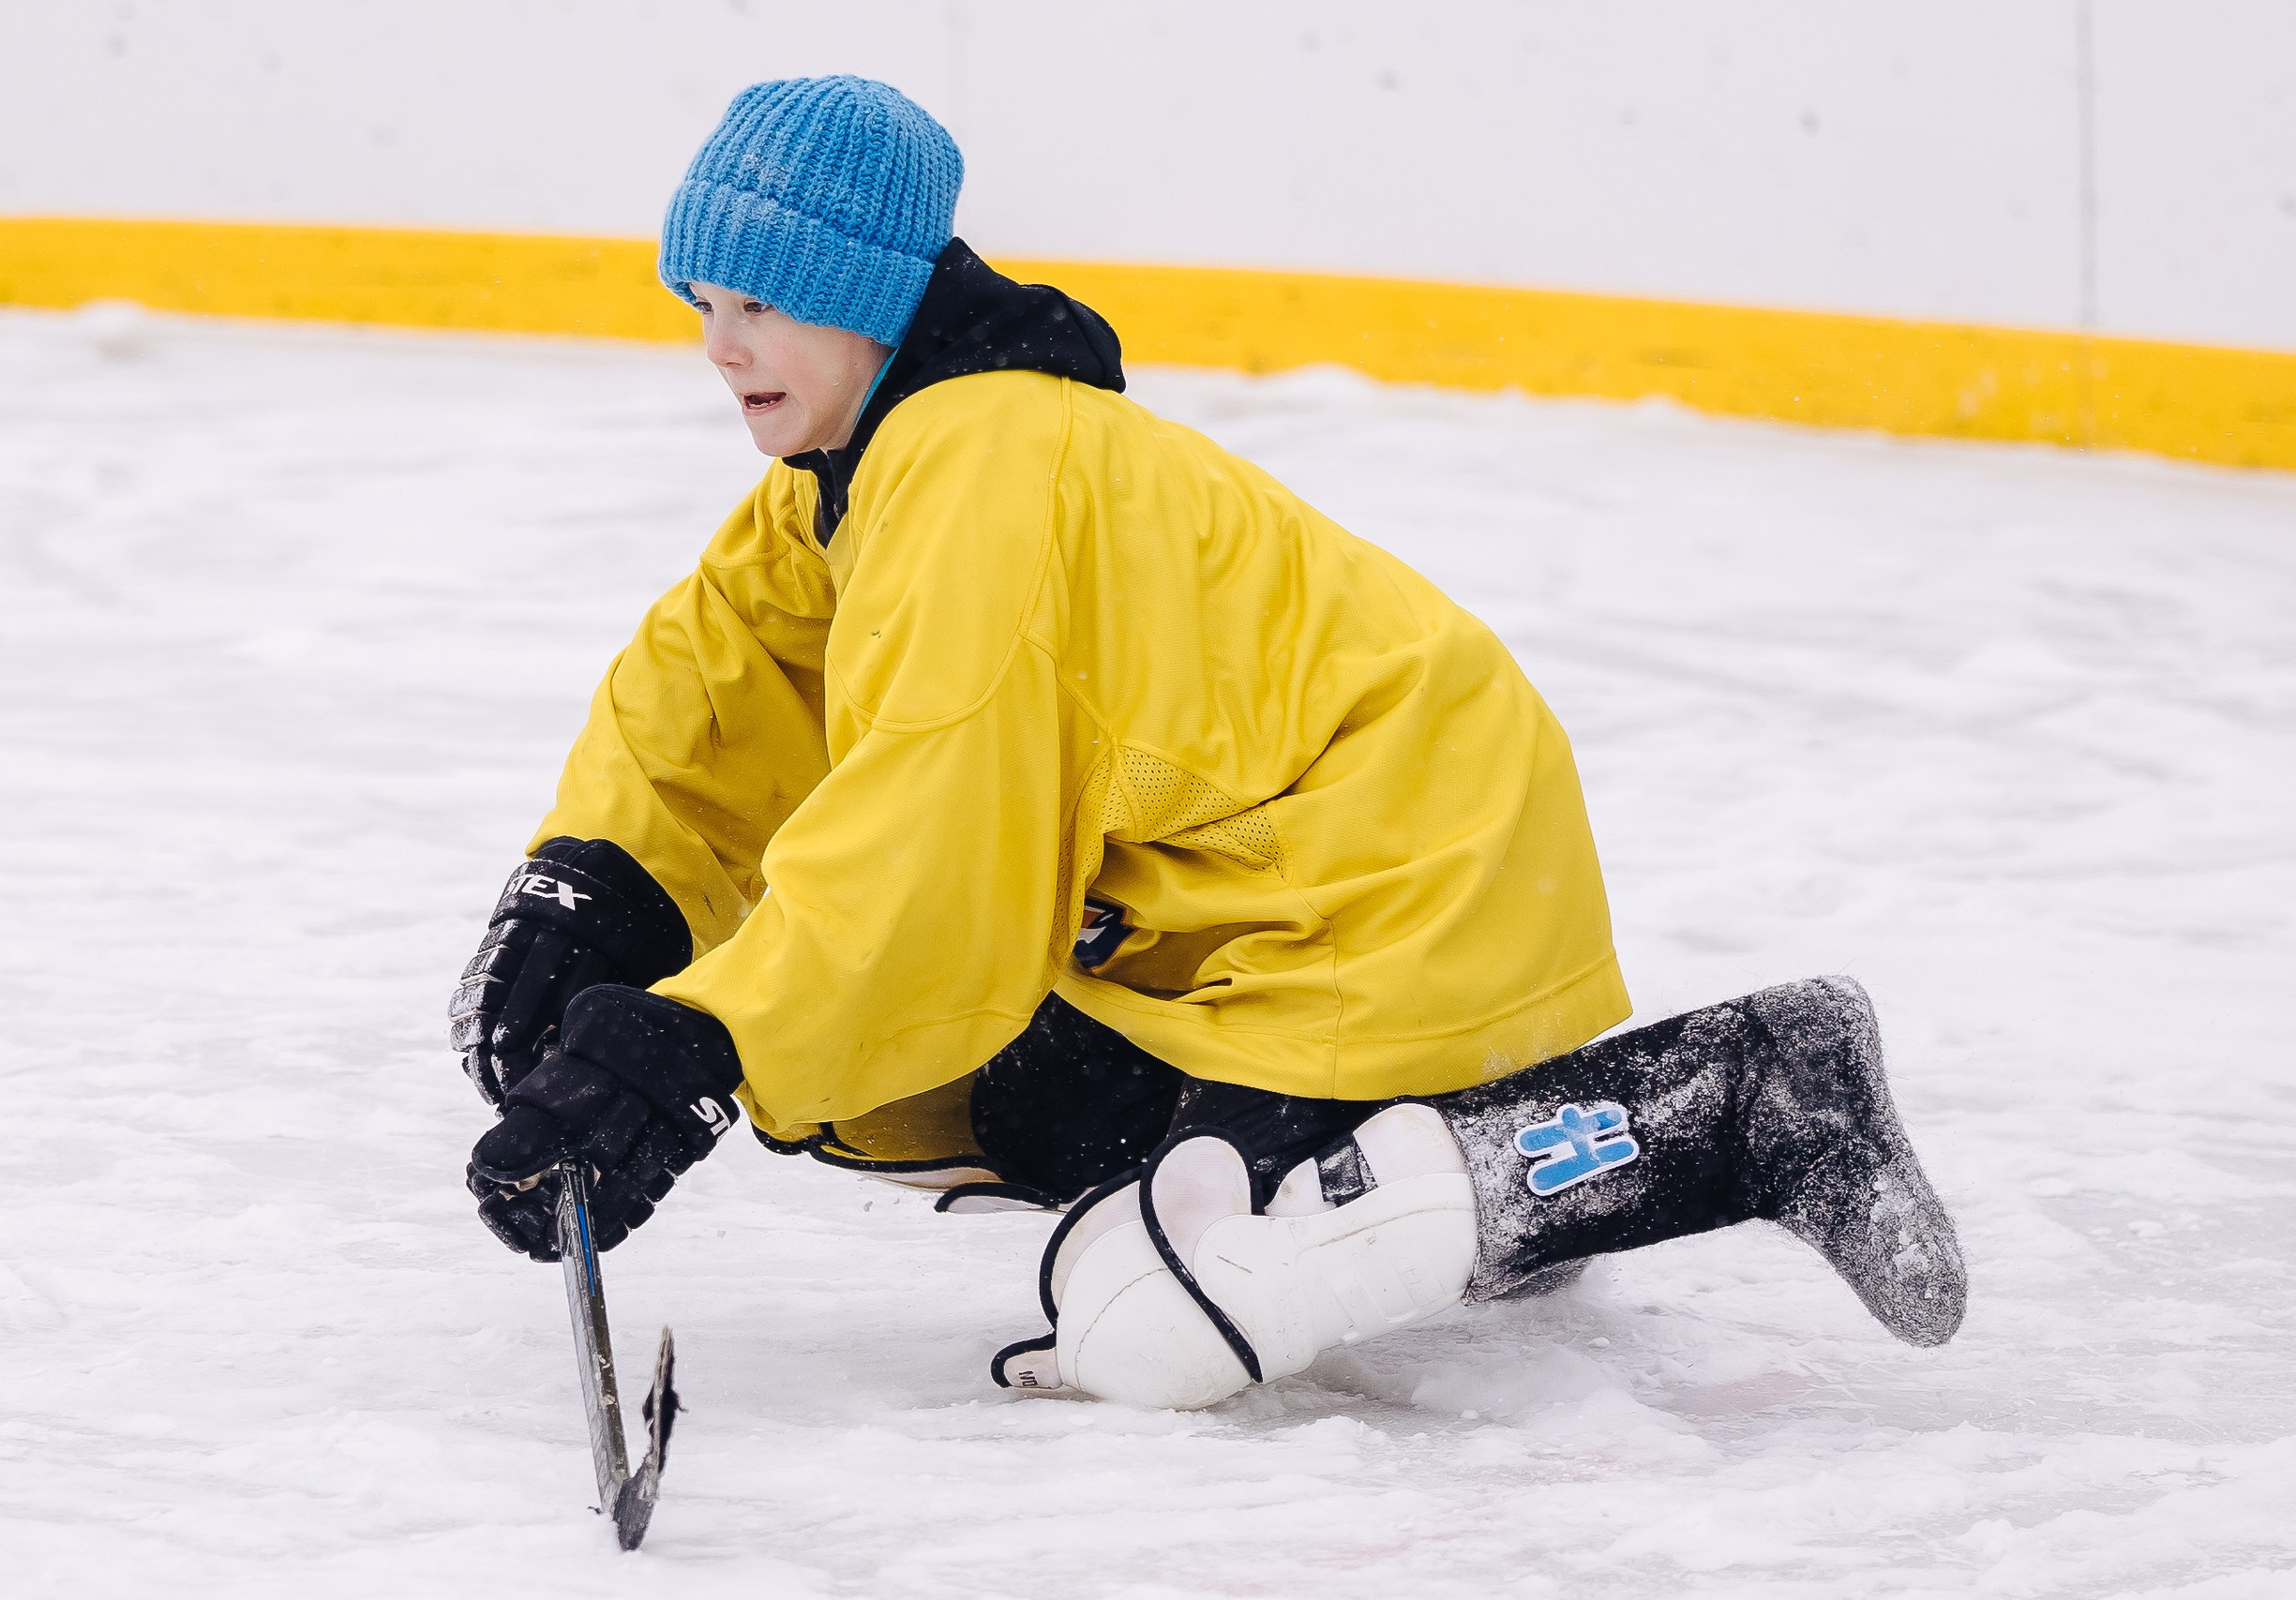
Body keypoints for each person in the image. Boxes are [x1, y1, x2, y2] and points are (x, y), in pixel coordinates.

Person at [449, 75, 1966, 1410]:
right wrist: (600, 891)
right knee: (981, 1093)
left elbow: (935, 840)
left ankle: (1727, 1101)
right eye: (702, 304)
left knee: (1156, 1321)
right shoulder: (874, 460)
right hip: (1259, 914)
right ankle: (1413, 1164)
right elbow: (718, 680)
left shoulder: (982, 472)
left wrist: (693, 1052)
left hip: (1399, 902)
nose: (720, 346)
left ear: (867, 296)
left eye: (761, 304)